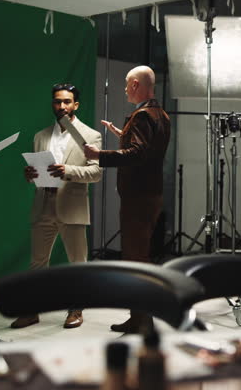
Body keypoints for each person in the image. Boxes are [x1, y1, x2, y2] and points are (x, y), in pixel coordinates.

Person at [83, 66, 170, 333]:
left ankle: (142, 319)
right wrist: (122, 133)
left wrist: (100, 155)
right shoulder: (160, 114)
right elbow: (147, 149)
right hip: (150, 194)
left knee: (135, 259)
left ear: (134, 84)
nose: (123, 89)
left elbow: (137, 153)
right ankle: (139, 317)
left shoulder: (143, 115)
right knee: (138, 257)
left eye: (125, 84)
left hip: (138, 196)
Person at [10, 84, 103, 330]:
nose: (61, 106)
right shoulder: (40, 136)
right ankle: (31, 311)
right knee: (37, 263)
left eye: (66, 101)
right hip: (43, 202)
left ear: (76, 105)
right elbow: (39, 171)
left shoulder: (90, 135)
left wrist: (67, 171)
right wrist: (30, 174)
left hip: (72, 206)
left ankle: (76, 309)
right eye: (57, 102)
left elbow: (96, 173)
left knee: (77, 263)